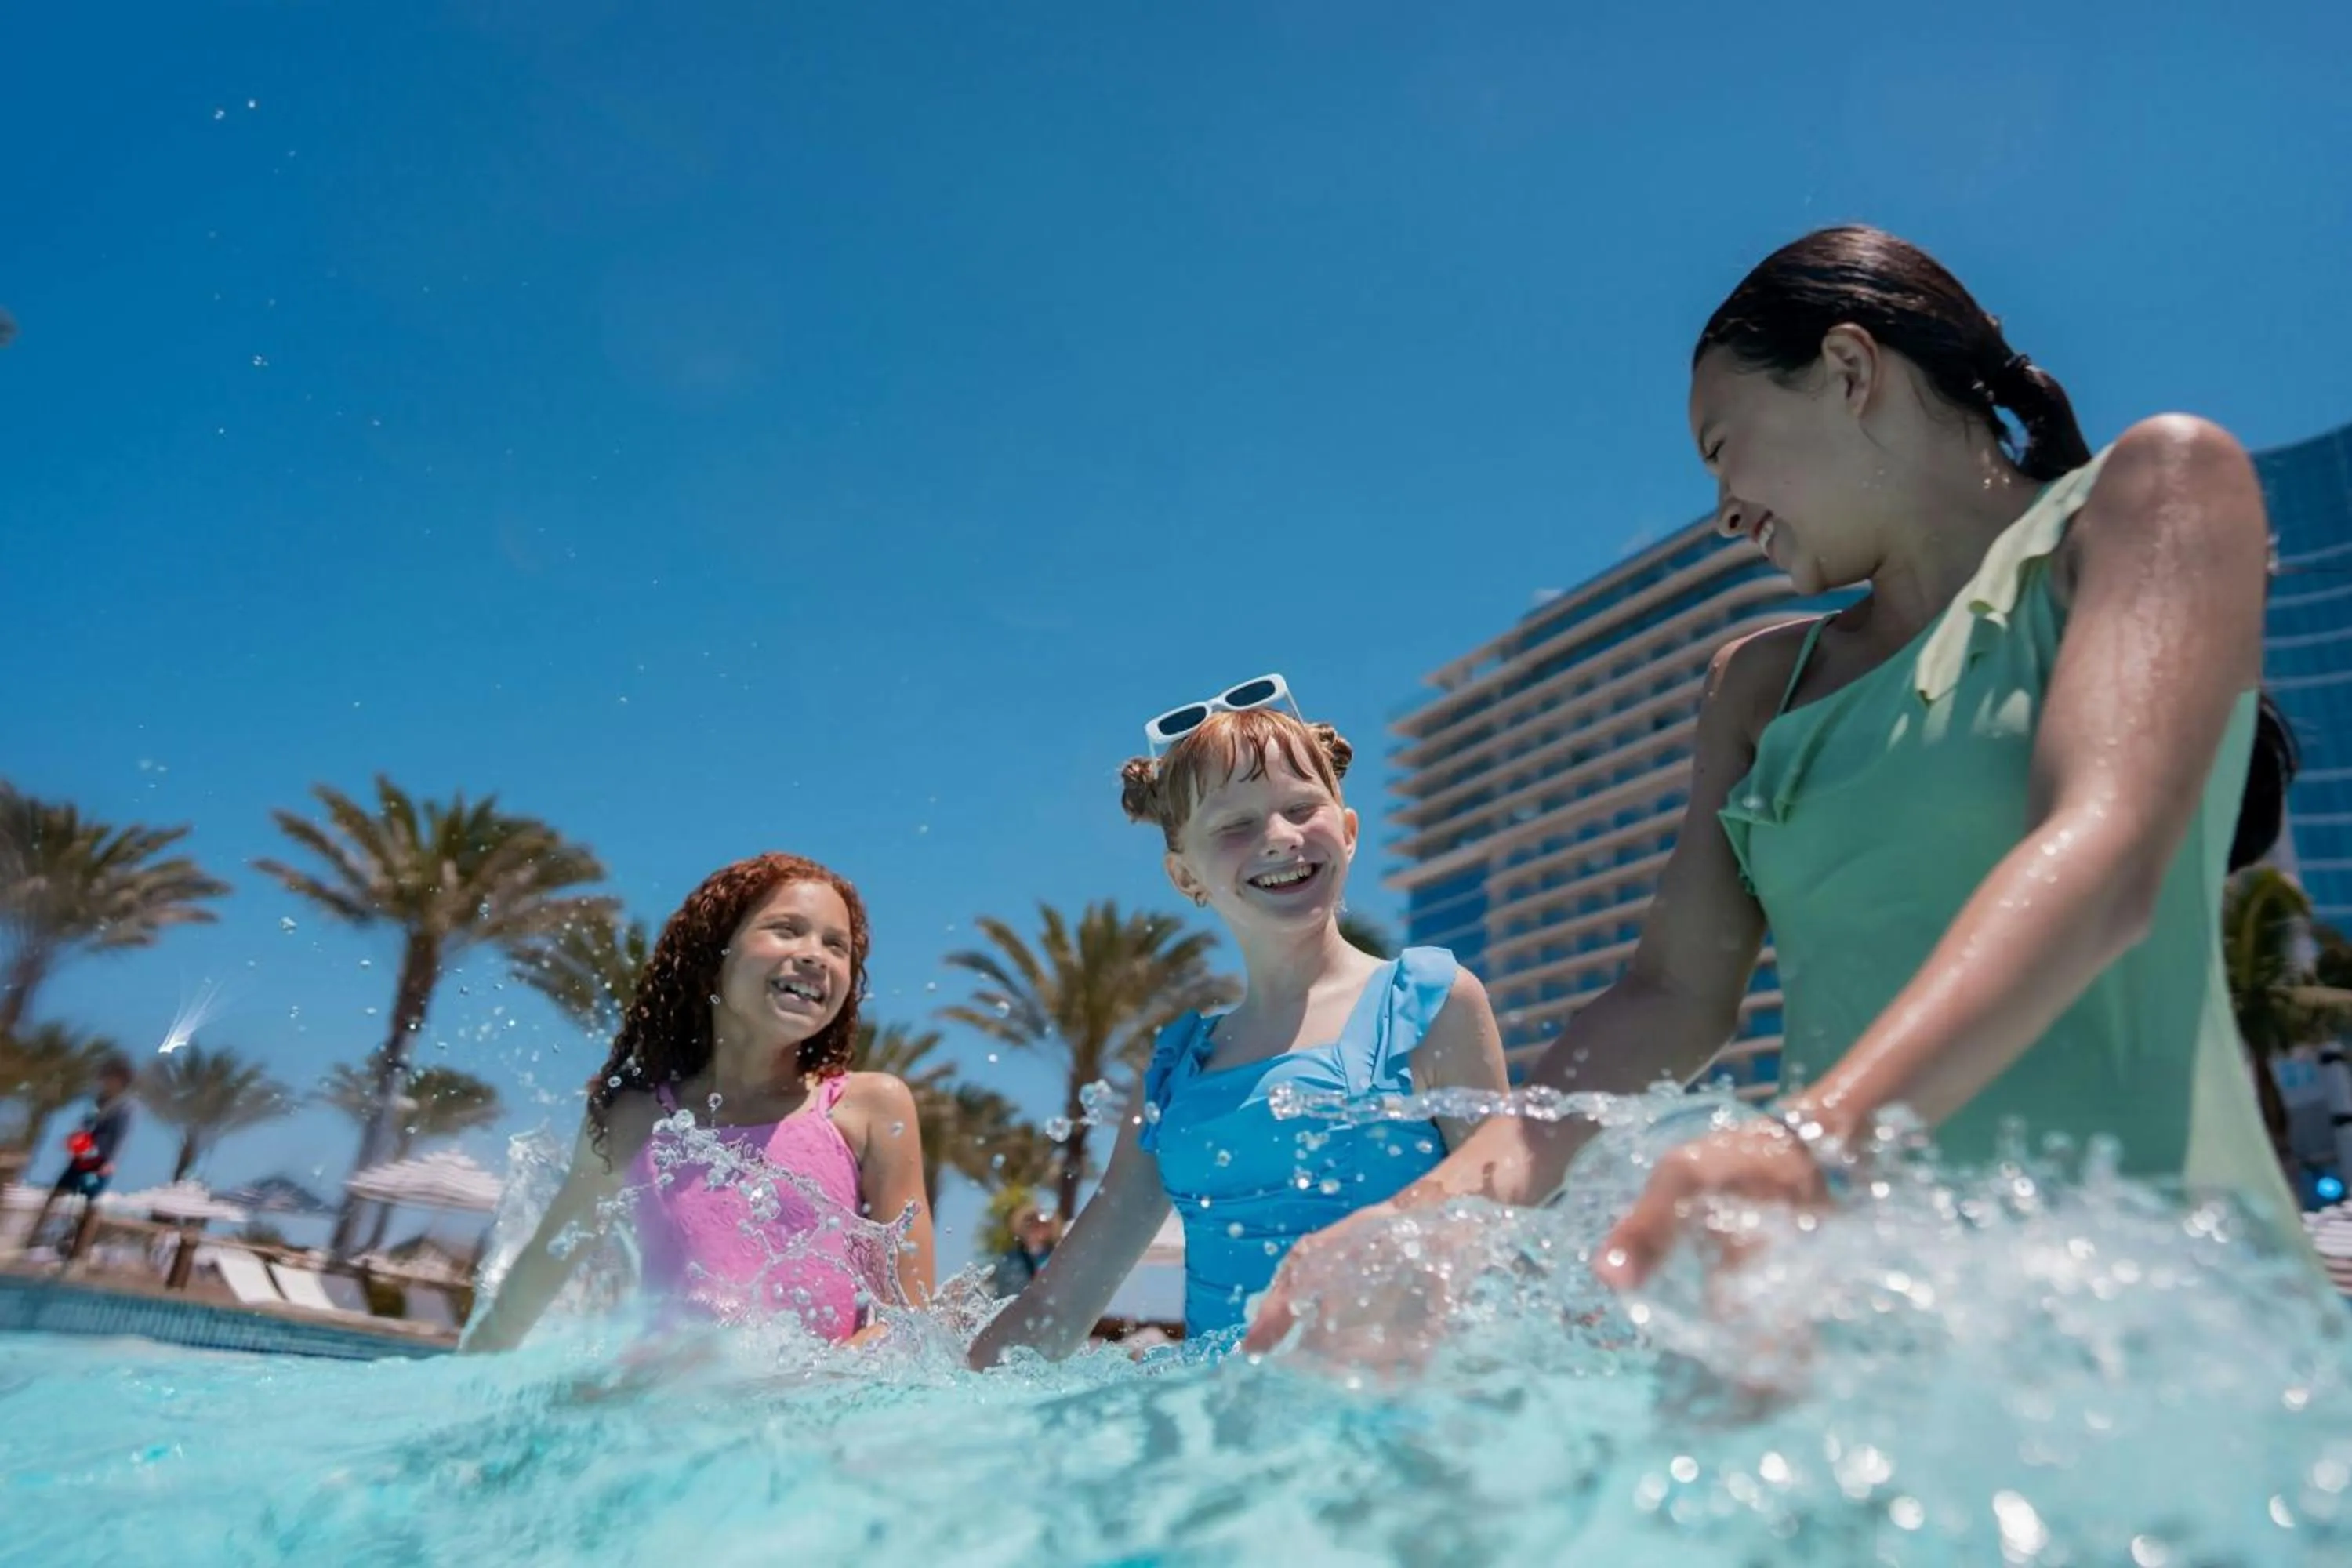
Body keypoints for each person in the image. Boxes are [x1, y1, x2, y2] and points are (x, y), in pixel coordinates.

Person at [1248, 225, 2307, 1351]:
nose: (1723, 511)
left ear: (1850, 372)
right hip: (1874, 1336)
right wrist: (1420, 1218)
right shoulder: (1760, 685)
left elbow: (2110, 846)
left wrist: (1811, 1139)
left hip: (2176, 1320)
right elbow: (1668, 994)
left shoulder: (2156, 494)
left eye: (1722, 449)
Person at [969, 681, 1509, 1363]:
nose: (1280, 838)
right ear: (1184, 876)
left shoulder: (1431, 1004)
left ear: (1347, 830)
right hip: (1226, 1435)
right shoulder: (1175, 1073)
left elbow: (1507, 1231)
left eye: (1300, 808)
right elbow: (1059, 1303)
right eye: (1235, 825)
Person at [464, 852, 935, 1352]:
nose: (815, 955)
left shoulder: (869, 1109)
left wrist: (804, 1385)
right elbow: (547, 1261)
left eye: (836, 945)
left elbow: (911, 1320)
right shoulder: (635, 1119)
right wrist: (469, 1376)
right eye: (787, 929)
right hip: (661, 1406)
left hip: (814, 1409)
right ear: (715, 955)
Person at [31, 1051, 136, 1265]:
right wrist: (74, 1139)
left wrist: (110, 1161)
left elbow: (122, 1136)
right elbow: (86, 1125)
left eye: (109, 1077)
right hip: (83, 1156)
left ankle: (78, 1249)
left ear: (120, 1080)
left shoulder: (126, 1106)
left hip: (99, 1161)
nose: (104, 1081)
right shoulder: (99, 1100)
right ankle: (35, 1240)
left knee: (89, 1203)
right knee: (57, 1195)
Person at [989, 1204, 1062, 1298]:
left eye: (1043, 1223)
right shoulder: (1008, 1260)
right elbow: (1001, 1293)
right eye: (1030, 1222)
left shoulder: (1057, 1257)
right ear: (1023, 1228)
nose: (1036, 1227)